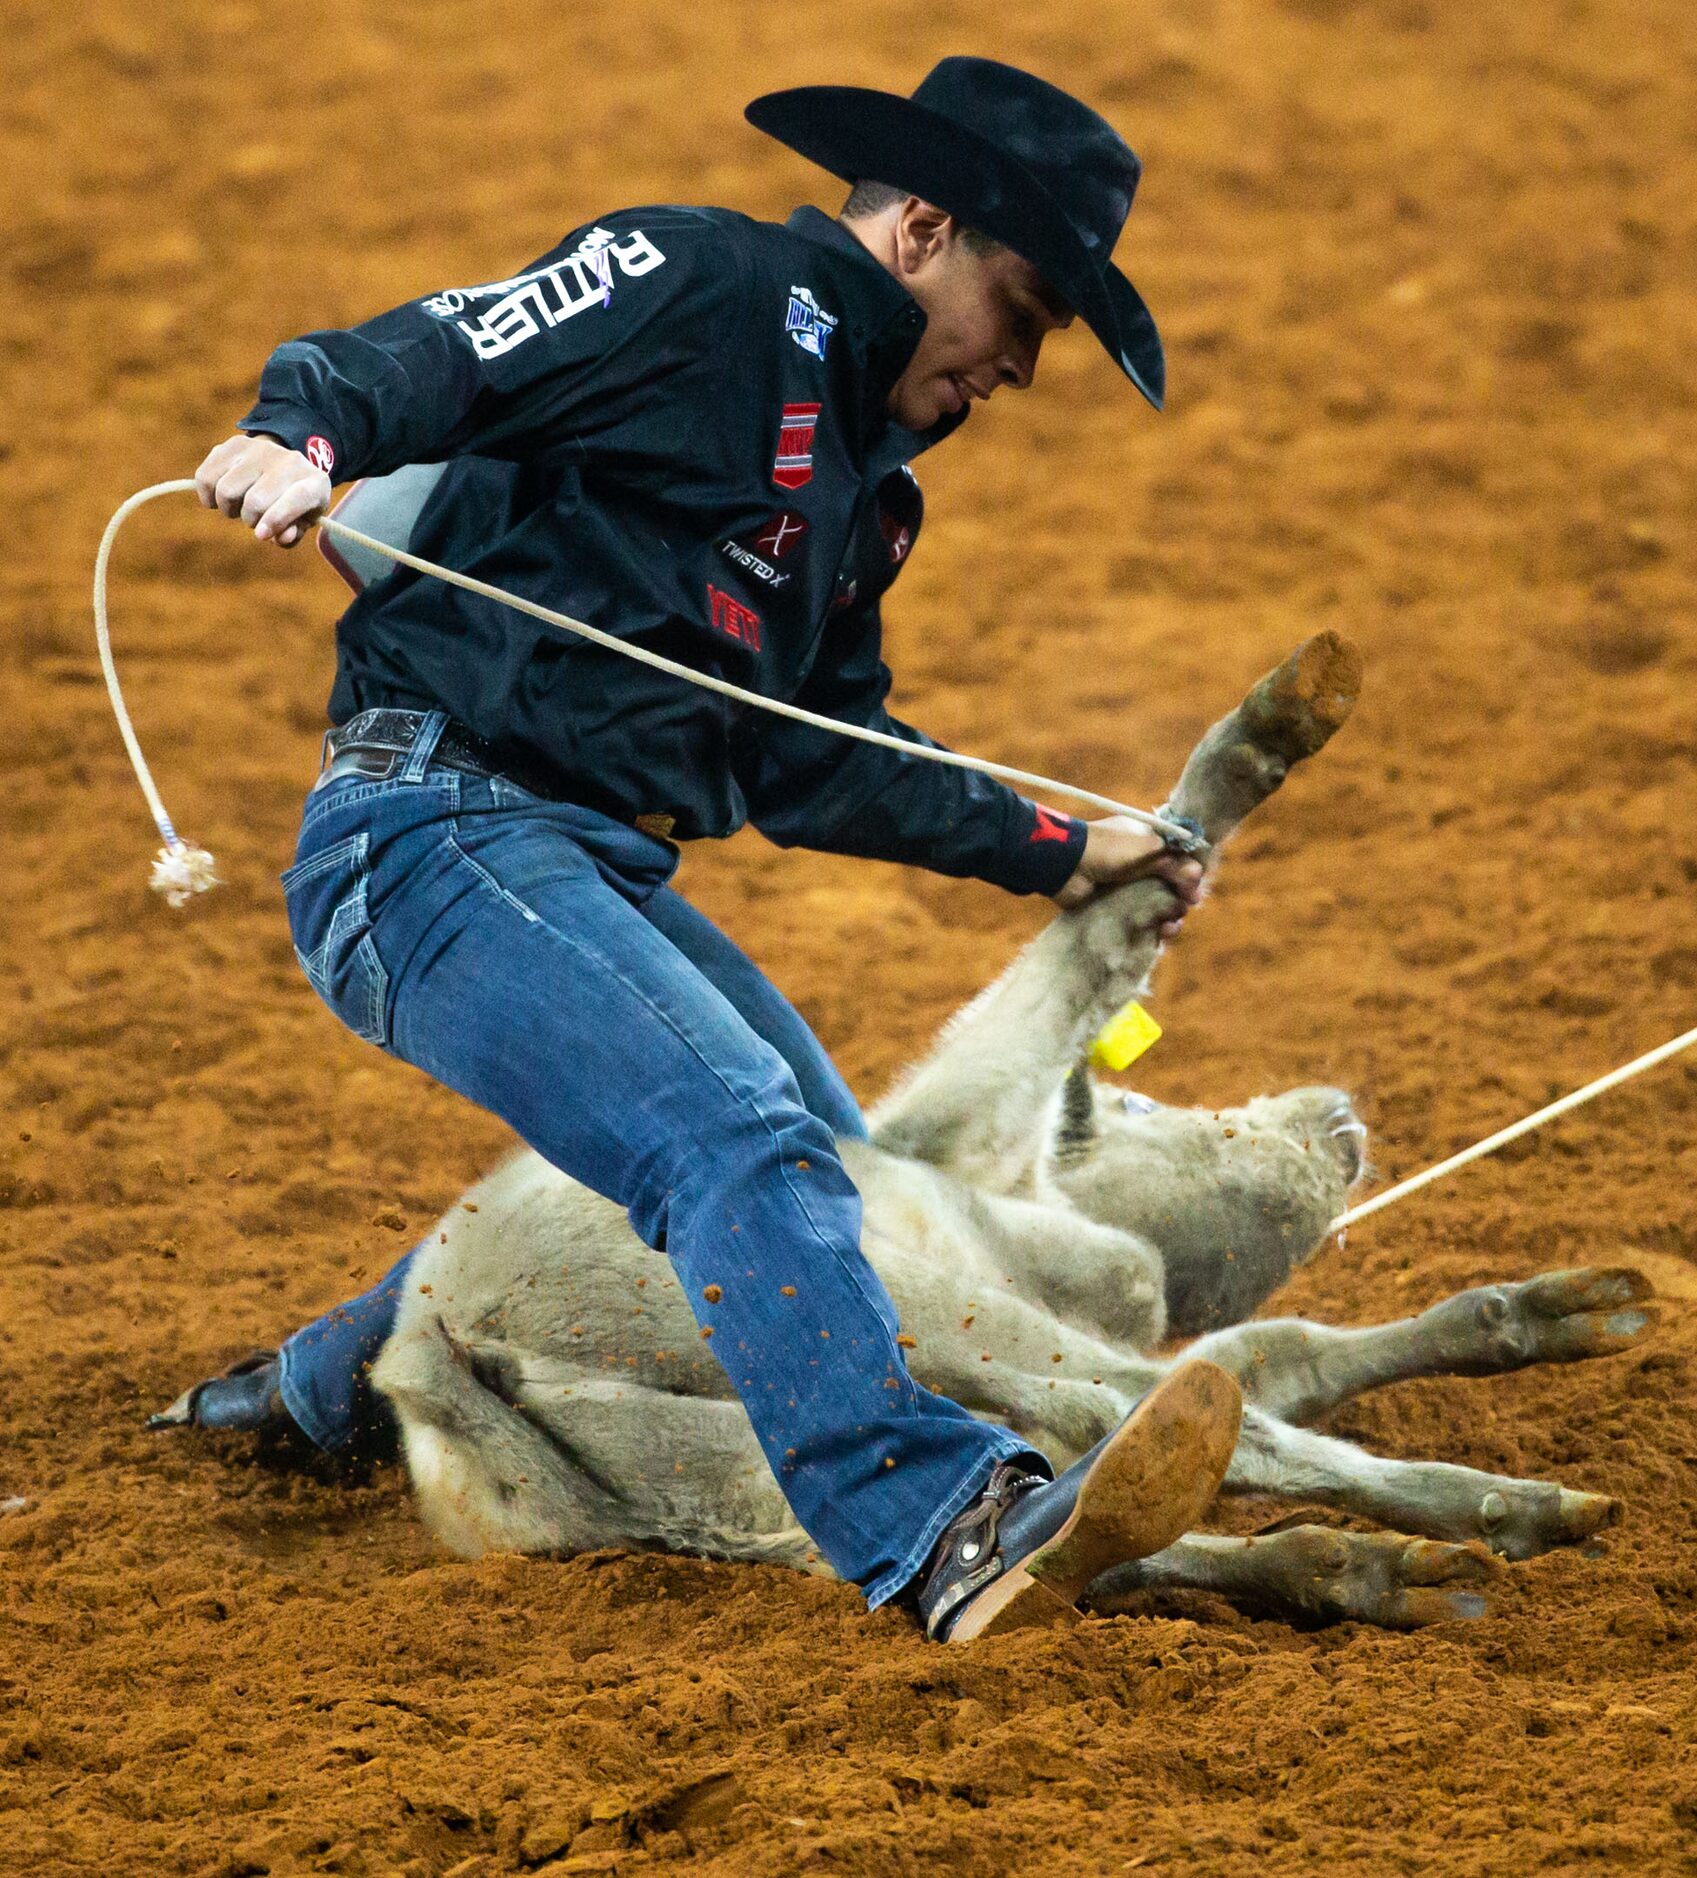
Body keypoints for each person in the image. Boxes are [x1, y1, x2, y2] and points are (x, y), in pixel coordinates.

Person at [148, 57, 1243, 1643]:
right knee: (739, 1144)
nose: (1019, 362)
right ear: (922, 230)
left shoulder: (870, 498)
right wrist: (299, 437)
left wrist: (1059, 844)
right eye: (1022, 308)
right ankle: (941, 1524)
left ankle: (320, 1394)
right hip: (422, 828)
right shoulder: (699, 278)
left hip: (571, 862)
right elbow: (440, 349)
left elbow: (816, 759)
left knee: (811, 1160)